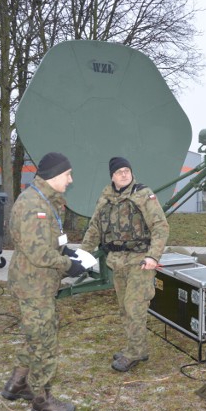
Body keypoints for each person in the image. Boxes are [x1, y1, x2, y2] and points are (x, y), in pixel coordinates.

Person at [1, 152, 86, 411]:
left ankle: (17, 384)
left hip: (41, 283)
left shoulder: (49, 201)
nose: (71, 180)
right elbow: (37, 252)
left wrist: (66, 252)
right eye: (67, 175)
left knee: (37, 335)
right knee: (44, 341)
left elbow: (50, 240)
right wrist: (67, 265)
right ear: (53, 176)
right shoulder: (31, 205)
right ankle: (42, 401)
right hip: (32, 283)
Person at [80, 157, 169, 372]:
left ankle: (135, 352)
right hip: (117, 262)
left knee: (134, 306)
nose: (124, 174)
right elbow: (94, 228)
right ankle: (136, 347)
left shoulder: (143, 194)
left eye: (127, 170)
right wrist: (82, 255)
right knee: (124, 308)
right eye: (119, 171)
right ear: (112, 176)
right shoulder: (106, 198)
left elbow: (161, 226)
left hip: (140, 261)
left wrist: (153, 256)